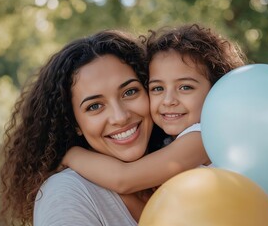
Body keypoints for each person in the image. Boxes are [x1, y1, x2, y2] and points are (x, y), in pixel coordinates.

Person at [0, 30, 167, 226]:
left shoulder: (182, 161)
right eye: (94, 106)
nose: (120, 117)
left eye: (130, 92)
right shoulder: (67, 194)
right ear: (74, 123)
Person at [62, 24, 247, 195]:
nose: (168, 100)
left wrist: (70, 155)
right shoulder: (170, 142)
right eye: (157, 88)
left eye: (185, 87)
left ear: (215, 90)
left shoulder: (204, 137)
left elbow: (124, 179)